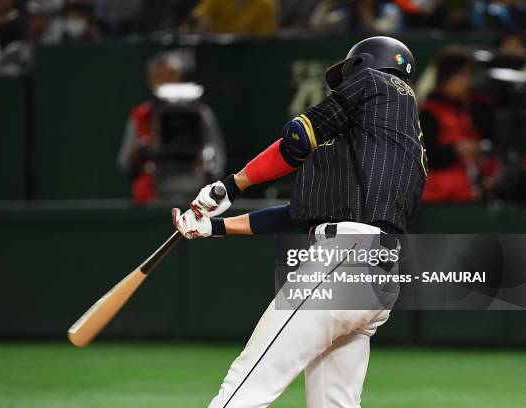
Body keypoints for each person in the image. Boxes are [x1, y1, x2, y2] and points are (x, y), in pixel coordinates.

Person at [172, 36, 426, 407]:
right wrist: (216, 225)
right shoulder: (397, 142)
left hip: (343, 260)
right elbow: (298, 213)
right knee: (334, 403)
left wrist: (231, 185)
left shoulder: (374, 81)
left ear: (363, 64)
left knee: (246, 386)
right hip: (377, 276)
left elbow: (297, 137)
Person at [118, 52, 225, 204]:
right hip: (153, 194)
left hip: (196, 191)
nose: (166, 80)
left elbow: (216, 157)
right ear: (150, 80)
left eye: (171, 74)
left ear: (180, 77)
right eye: (159, 75)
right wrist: (140, 151)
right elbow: (125, 163)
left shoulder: (200, 112)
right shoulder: (141, 115)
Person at [420, 47, 482, 202]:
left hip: (463, 194)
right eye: (462, 75)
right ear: (446, 77)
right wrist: (456, 150)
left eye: (468, 76)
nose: (467, 82)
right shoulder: (428, 112)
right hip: (435, 198)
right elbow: (426, 159)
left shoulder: (465, 108)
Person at [1, 0, 63, 69]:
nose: (29, 21)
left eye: (35, 17)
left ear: (46, 20)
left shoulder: (57, 53)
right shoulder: (13, 52)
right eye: (28, 16)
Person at [186, 0, 278, 35]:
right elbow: (197, 17)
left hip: (251, 54)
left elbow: (266, 36)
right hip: (217, 51)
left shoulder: (266, 5)